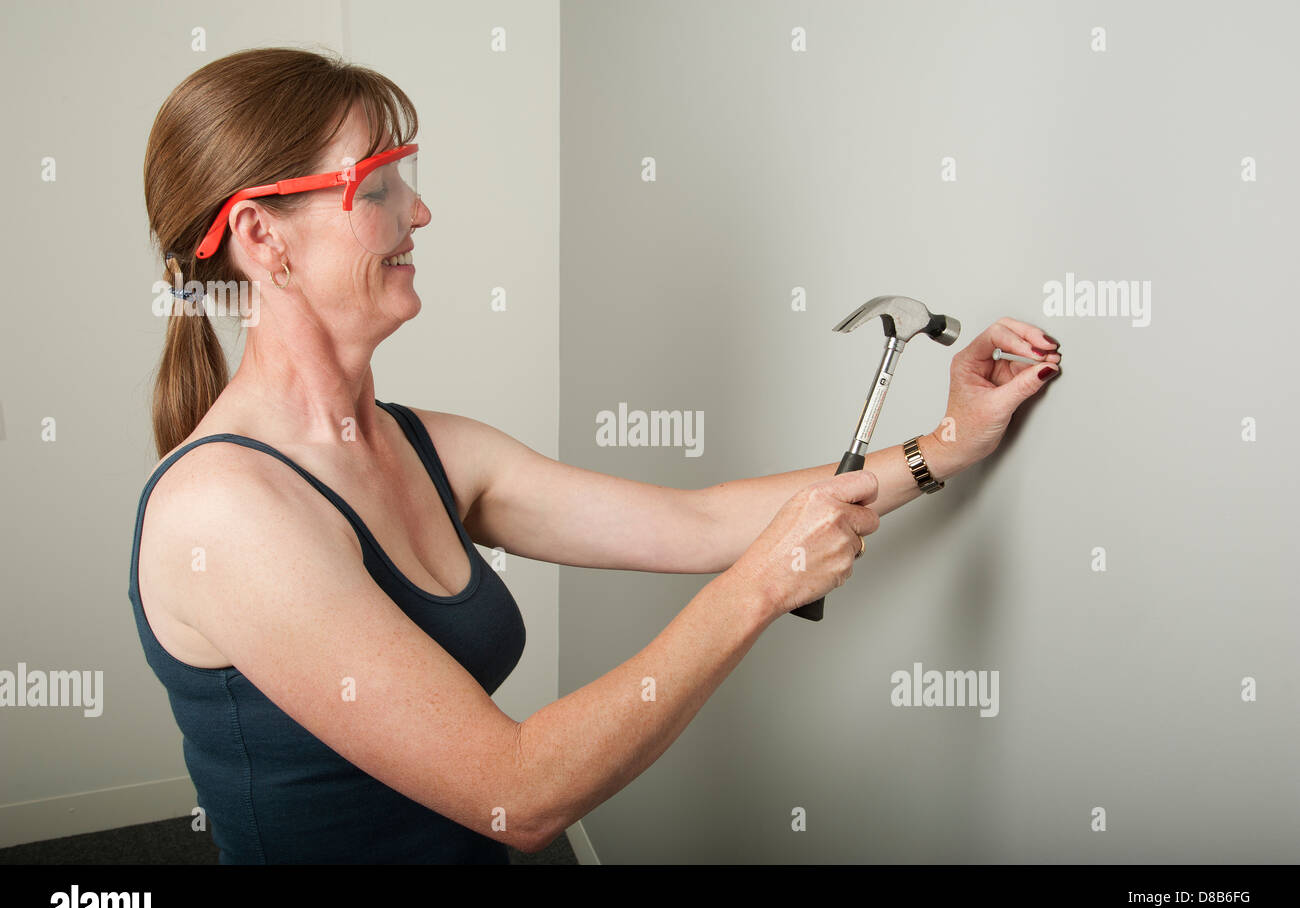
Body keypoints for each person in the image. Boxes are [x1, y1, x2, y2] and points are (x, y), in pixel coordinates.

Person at [129, 47, 1062, 864]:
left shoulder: (427, 446)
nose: (419, 210)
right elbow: (519, 794)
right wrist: (762, 586)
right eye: (375, 186)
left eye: (405, 176)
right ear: (261, 237)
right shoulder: (227, 512)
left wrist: (949, 443)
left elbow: (697, 523)